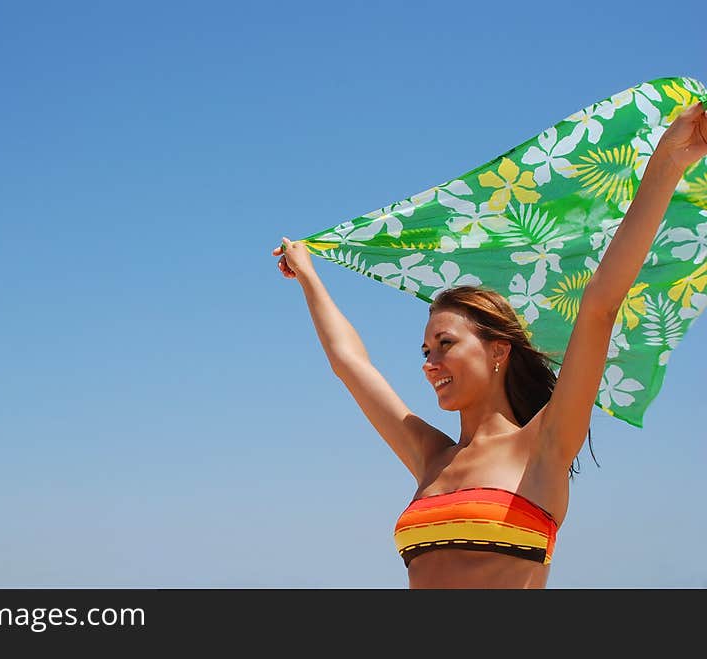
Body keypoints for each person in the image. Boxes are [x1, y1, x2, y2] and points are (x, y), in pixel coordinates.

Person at [272, 101, 707, 589]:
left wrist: (668, 163)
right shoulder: (431, 456)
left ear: (498, 350)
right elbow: (350, 364)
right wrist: (309, 276)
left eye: (445, 343)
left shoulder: (544, 444)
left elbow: (600, 306)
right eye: (424, 351)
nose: (430, 362)